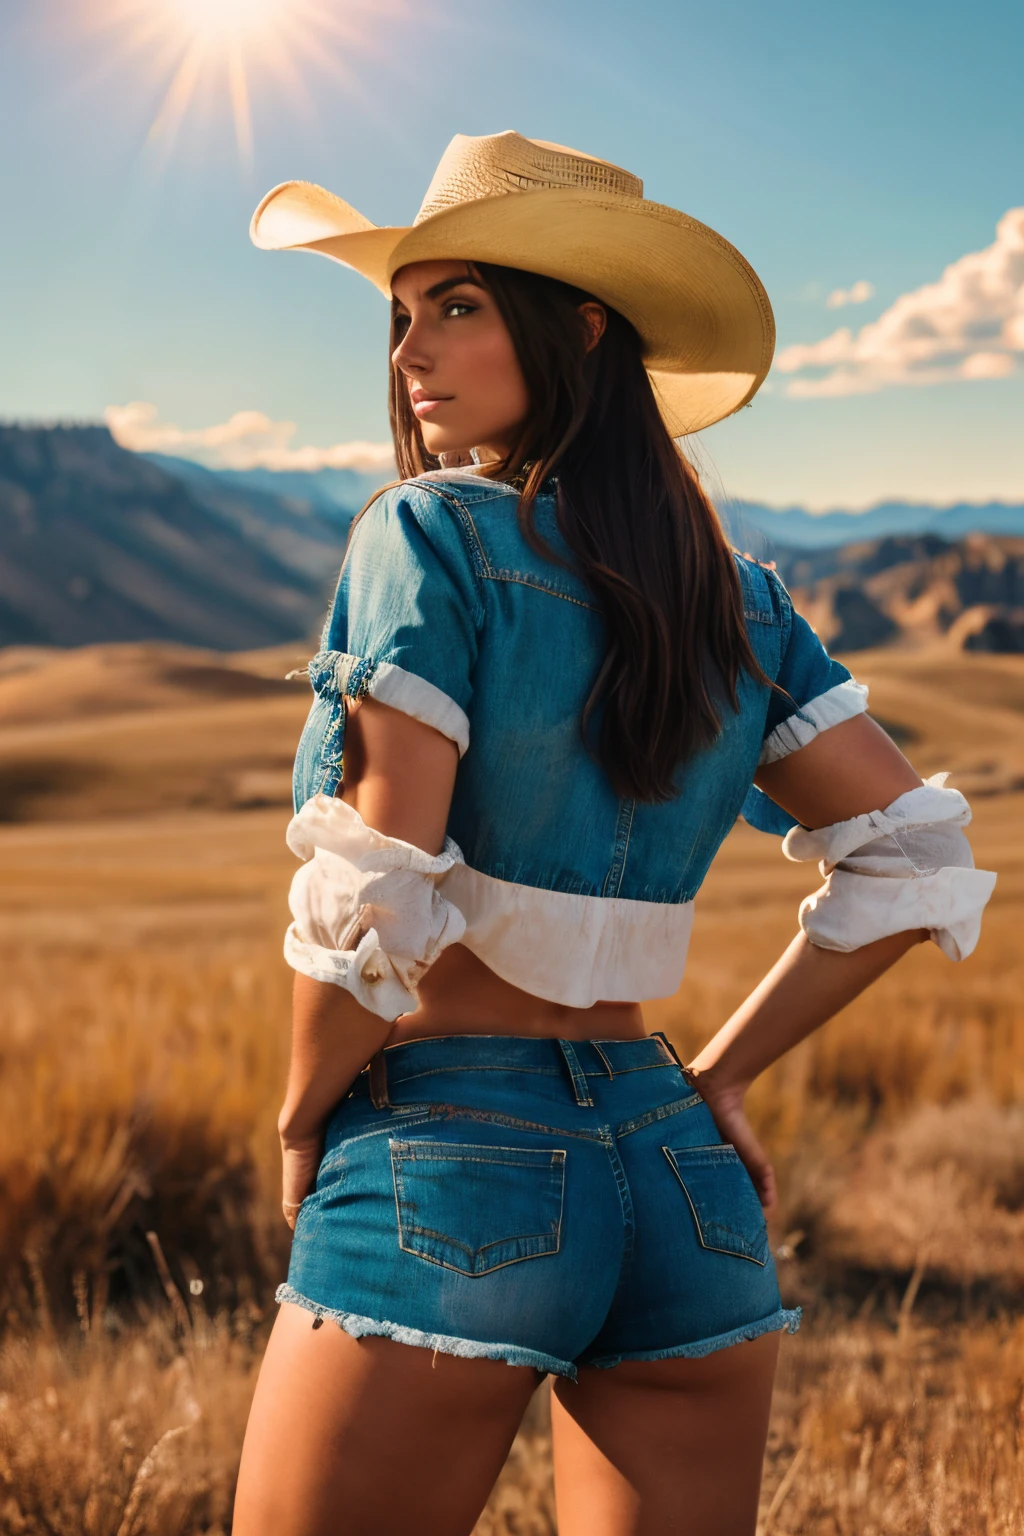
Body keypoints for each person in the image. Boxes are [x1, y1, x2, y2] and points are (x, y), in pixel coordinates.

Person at [232, 132, 995, 1536]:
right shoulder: (740, 598)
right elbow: (918, 859)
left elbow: (381, 880)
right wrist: (716, 1080)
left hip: (444, 1150)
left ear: (578, 328)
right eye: (402, 315)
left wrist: (299, 1122)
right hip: (680, 1177)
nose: (411, 350)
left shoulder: (428, 537)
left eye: (455, 305)